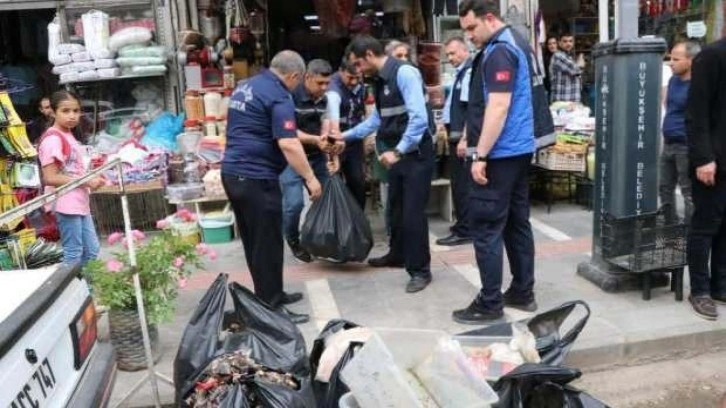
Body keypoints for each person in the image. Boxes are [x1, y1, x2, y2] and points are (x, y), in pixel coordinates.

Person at [222, 50, 322, 324]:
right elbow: (287, 143)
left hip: (234, 174)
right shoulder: (279, 94)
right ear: (294, 76)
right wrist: (311, 179)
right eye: (298, 81)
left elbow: (279, 129)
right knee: (267, 245)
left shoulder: (249, 87)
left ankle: (269, 295)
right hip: (256, 178)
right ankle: (272, 308)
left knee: (257, 243)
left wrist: (313, 139)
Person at [454, 0, 537, 324]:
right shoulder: (515, 43)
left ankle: (490, 302)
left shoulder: (500, 50)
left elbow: (498, 106)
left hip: (500, 154)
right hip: (516, 152)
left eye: (473, 28)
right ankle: (522, 291)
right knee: (517, 223)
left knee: (487, 227)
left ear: (490, 19)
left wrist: (481, 154)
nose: (470, 36)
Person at [342, 35, 436, 293]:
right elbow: (376, 122)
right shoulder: (379, 80)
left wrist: (398, 151)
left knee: (413, 214)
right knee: (395, 209)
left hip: (414, 154)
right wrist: (344, 136)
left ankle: (420, 270)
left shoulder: (404, 73)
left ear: (370, 56)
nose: (357, 70)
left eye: (358, 64)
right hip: (396, 154)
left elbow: (419, 119)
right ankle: (397, 255)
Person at [281, 59, 339, 263]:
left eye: (327, 83)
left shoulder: (325, 100)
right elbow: (287, 132)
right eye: (320, 83)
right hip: (291, 157)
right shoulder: (290, 97)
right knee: (294, 204)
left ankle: (317, 237)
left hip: (316, 156)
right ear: (307, 78)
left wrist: (332, 154)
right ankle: (293, 241)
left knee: (324, 198)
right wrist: (315, 140)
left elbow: (326, 128)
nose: (324, 88)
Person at [38, 90, 105, 267]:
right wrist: (87, 181)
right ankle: (69, 292)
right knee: (73, 252)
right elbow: (50, 177)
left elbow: (73, 169)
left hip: (79, 201)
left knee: (91, 250)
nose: (72, 116)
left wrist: (91, 177)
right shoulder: (52, 139)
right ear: (53, 112)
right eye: (65, 111)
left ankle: (87, 292)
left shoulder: (68, 134)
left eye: (76, 111)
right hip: (66, 203)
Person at [685, 35, 726, 321]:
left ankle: (720, 286)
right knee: (705, 226)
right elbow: (696, 114)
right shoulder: (710, 57)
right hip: (712, 162)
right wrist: (704, 159)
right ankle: (699, 290)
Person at [437, 36, 473, 247]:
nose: (449, 58)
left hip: (462, 137)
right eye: (447, 54)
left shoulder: (468, 74)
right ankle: (463, 225)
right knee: (459, 183)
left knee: (462, 186)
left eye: (452, 53)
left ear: (464, 51)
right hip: (455, 134)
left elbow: (471, 109)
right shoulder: (460, 74)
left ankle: (466, 230)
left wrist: (465, 139)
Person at [660, 41, 699, 225]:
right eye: (670, 58)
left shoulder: (699, 84)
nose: (671, 62)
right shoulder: (673, 80)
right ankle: (670, 229)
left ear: (691, 60)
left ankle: (690, 232)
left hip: (685, 144)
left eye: (676, 59)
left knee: (687, 189)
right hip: (668, 141)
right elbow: (668, 104)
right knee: (665, 187)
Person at [328, 58, 367, 209]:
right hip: (333, 140)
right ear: (340, 71)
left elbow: (364, 110)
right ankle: (337, 224)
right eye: (350, 77)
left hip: (353, 141)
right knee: (334, 184)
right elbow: (333, 124)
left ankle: (358, 222)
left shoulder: (360, 85)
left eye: (357, 77)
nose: (354, 81)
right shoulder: (333, 90)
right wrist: (335, 149)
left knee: (358, 183)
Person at [549, 33, 584, 103]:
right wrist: (580, 59)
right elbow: (576, 69)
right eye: (565, 41)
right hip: (562, 102)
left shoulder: (568, 56)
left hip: (569, 101)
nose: (568, 44)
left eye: (570, 41)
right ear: (559, 43)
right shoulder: (558, 56)